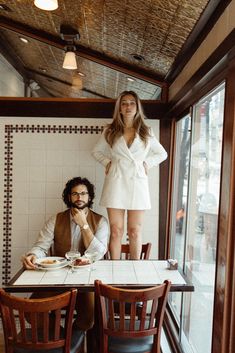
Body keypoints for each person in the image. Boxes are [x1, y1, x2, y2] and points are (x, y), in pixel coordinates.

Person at [21, 176, 109, 330]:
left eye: (83, 193)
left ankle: (72, 339)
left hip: (86, 280)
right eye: (74, 193)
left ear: (90, 197)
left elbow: (98, 253)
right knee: (30, 311)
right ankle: (60, 336)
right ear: (69, 197)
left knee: (88, 319)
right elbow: (41, 247)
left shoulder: (101, 221)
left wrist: (84, 225)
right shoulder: (55, 219)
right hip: (56, 277)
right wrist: (33, 256)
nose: (79, 197)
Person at [92, 90, 167, 260]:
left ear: (137, 107)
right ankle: (114, 268)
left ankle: (135, 269)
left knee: (134, 231)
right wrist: (107, 163)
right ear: (119, 108)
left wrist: (147, 163)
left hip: (137, 183)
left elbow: (162, 154)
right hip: (116, 182)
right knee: (116, 230)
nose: (128, 106)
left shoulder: (146, 131)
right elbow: (96, 152)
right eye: (124, 103)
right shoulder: (110, 130)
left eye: (132, 103)